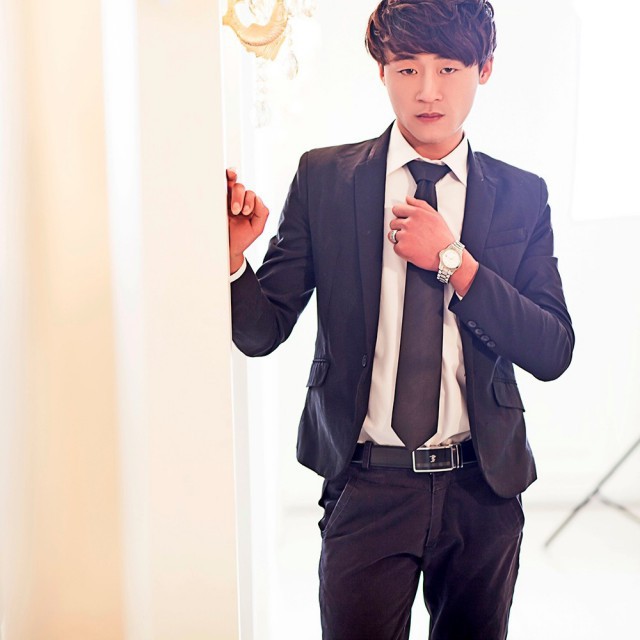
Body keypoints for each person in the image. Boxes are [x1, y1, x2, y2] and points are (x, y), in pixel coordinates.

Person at [227, 0, 574, 638]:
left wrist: (453, 261)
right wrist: (231, 262)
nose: (428, 91)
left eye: (449, 68)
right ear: (381, 70)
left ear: (485, 69)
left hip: (482, 490)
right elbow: (260, 331)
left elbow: (552, 349)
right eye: (408, 68)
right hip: (366, 483)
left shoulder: (522, 195)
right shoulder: (325, 179)